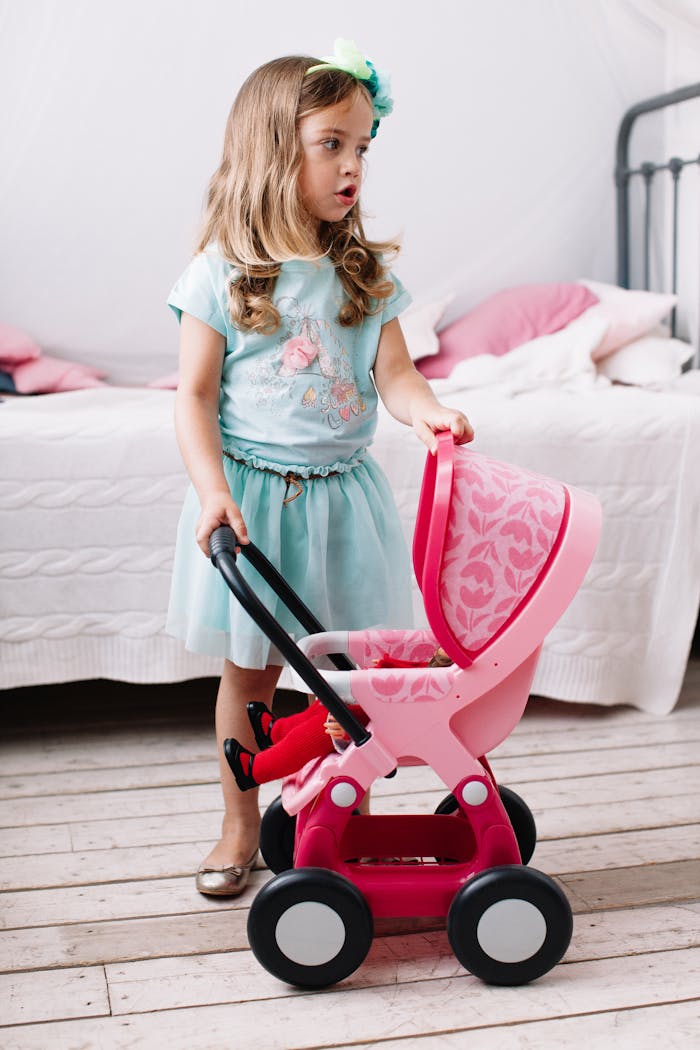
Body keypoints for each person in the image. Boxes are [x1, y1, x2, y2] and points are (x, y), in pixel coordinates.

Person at [166, 39, 473, 897]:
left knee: (351, 687)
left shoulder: (363, 274)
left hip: (346, 505)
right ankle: (238, 823)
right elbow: (191, 396)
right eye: (332, 143)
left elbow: (396, 375)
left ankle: (346, 825)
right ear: (274, 149)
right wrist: (213, 493)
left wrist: (427, 412)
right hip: (256, 506)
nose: (353, 166)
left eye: (364, 146)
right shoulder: (223, 273)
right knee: (255, 676)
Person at [224, 648, 454, 791]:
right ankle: (276, 731)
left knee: (323, 727)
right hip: (386, 707)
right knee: (325, 705)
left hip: (391, 721)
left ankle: (256, 770)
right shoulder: (445, 668)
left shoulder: (456, 676)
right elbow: (419, 673)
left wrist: (349, 734)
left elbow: (416, 705)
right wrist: (387, 665)